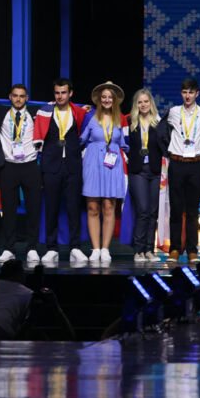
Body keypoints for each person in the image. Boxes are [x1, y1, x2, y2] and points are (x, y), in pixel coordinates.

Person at [30, 78, 89, 267]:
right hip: (51, 165)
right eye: (57, 93)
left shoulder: (79, 112)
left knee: (74, 207)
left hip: (73, 166)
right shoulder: (45, 112)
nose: (60, 96)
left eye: (64, 92)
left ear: (70, 93)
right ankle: (51, 248)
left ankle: (75, 247)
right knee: (51, 207)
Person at [0, 83, 42, 265]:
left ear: (27, 98)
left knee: (33, 209)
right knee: (8, 210)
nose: (18, 99)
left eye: (22, 96)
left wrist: (84, 109)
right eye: (15, 95)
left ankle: (32, 247)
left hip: (30, 166)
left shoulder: (36, 112)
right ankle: (9, 248)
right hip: (8, 167)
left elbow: (58, 109)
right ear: (10, 97)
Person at [159, 77, 200, 264]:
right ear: (181, 93)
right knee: (176, 209)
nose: (188, 96)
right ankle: (175, 249)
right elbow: (160, 131)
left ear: (197, 94)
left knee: (193, 211)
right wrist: (167, 151)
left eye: (191, 92)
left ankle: (192, 251)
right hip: (177, 164)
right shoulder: (173, 112)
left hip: (196, 165)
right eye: (185, 92)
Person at [81, 81, 127, 266]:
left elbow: (125, 143)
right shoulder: (90, 117)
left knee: (109, 206)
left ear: (114, 100)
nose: (107, 100)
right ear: (99, 100)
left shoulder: (120, 119)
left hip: (112, 165)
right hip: (93, 163)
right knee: (93, 207)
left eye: (110, 97)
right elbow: (80, 139)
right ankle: (95, 248)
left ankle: (105, 248)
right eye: (104, 97)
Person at [127, 88, 164, 264]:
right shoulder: (130, 122)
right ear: (136, 105)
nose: (143, 105)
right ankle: (138, 250)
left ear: (151, 103)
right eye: (139, 102)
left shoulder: (159, 122)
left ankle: (149, 250)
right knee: (142, 210)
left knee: (153, 212)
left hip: (155, 171)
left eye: (146, 101)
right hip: (138, 171)